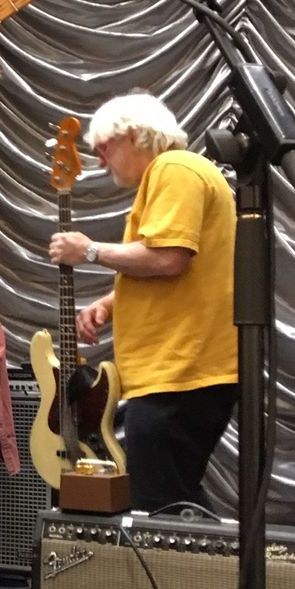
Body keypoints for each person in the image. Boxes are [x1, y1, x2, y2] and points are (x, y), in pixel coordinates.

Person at [49, 91, 238, 513]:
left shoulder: (175, 168)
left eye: (104, 148)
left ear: (134, 135)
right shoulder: (176, 172)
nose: (100, 162)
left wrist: (89, 251)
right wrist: (110, 303)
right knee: (173, 503)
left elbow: (169, 258)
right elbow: (176, 263)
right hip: (178, 372)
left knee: (160, 507)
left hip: (181, 372)